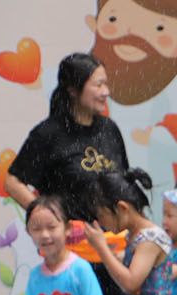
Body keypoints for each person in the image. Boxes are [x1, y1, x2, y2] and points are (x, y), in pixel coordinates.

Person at [83, 168, 177, 295]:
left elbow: (131, 283)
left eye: (103, 215)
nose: (102, 222)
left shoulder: (150, 238)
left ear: (122, 208)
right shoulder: (134, 236)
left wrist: (101, 248)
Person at [8, 55, 129, 211]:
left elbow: (125, 182)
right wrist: (46, 216)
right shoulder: (48, 133)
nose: (106, 92)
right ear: (73, 90)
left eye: (106, 84)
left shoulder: (109, 128)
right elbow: (12, 182)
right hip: (72, 227)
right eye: (98, 85)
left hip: (111, 227)